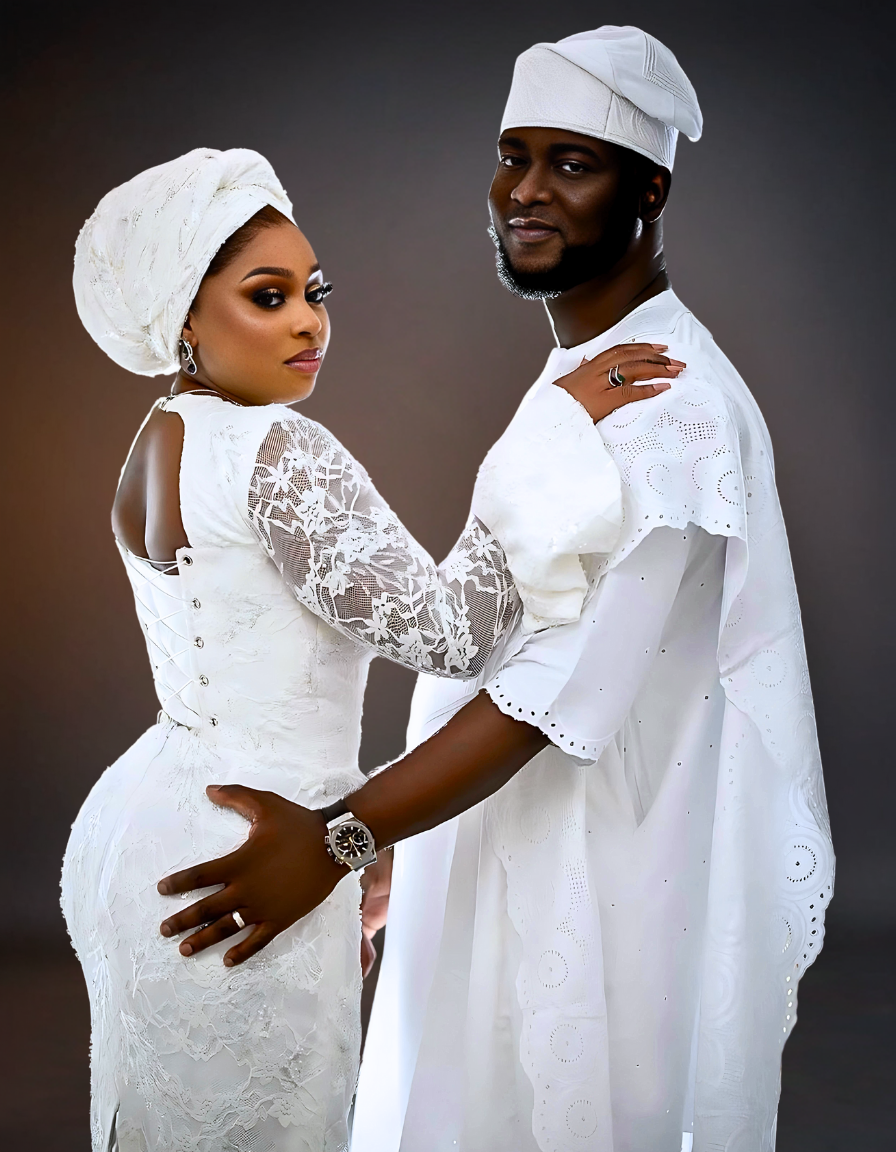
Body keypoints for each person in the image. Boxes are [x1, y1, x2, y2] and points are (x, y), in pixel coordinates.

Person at [157, 26, 834, 1152]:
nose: (522, 192)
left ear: (648, 187)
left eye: (571, 163)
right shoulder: (588, 371)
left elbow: (549, 696)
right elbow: (495, 630)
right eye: (511, 155)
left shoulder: (666, 408)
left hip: (598, 882)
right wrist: (404, 847)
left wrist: (338, 841)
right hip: (495, 848)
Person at [60, 146, 675, 1151]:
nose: (309, 321)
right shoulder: (277, 449)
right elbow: (454, 634)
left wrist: (368, 839)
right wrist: (552, 434)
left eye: (314, 290)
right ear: (182, 318)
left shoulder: (156, 437)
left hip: (139, 830)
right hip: (249, 853)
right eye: (268, 296)